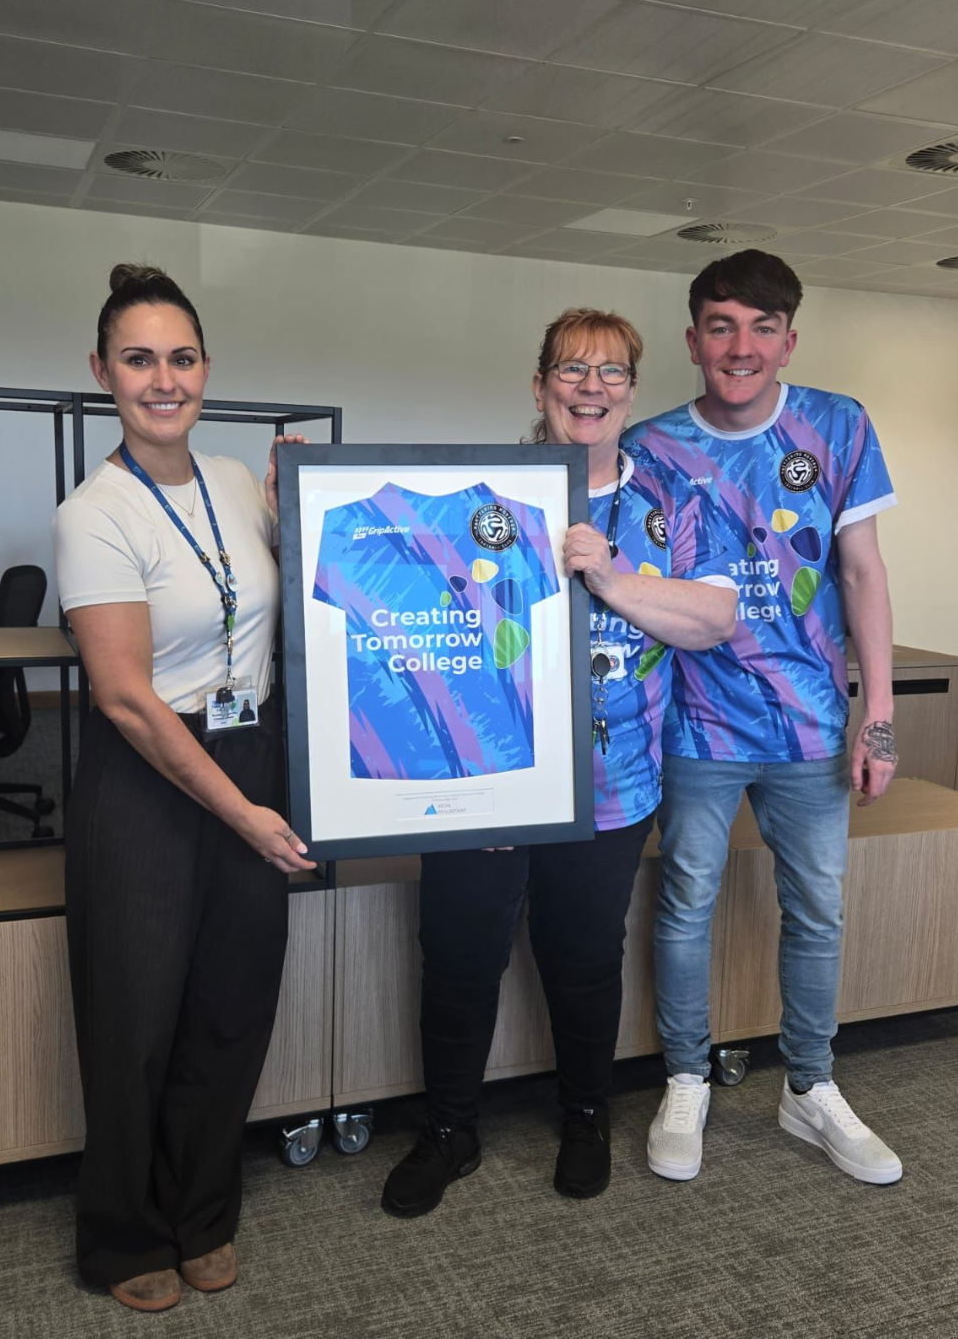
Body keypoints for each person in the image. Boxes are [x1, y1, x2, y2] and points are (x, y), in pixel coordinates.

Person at [380, 308, 737, 1217]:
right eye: (571, 370)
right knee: (459, 955)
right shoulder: (475, 498)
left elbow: (716, 620)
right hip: (484, 775)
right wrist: (291, 508)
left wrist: (613, 577)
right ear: (538, 386)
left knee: (581, 957)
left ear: (630, 392)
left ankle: (584, 1115)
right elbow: (400, 601)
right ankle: (449, 1130)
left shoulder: (669, 504)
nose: (591, 386)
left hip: (610, 788)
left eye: (611, 372)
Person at [52, 264, 315, 1312]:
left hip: (250, 759)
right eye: (139, 359)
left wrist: (300, 514)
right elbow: (123, 698)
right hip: (150, 779)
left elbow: (281, 614)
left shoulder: (227, 486)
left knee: (232, 1003)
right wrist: (246, 813)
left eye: (182, 357)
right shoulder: (93, 512)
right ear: (103, 373)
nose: (164, 379)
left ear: (206, 369)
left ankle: (202, 1210)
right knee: (135, 1016)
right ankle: (121, 1236)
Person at [625, 249, 903, 1186]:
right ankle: (685, 1077)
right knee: (685, 902)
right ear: (694, 337)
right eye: (720, 325)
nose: (740, 347)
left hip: (811, 726)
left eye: (760, 327)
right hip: (695, 724)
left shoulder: (837, 424)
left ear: (788, 338)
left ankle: (809, 1089)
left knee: (816, 909)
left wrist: (878, 717)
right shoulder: (653, 447)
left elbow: (861, 572)